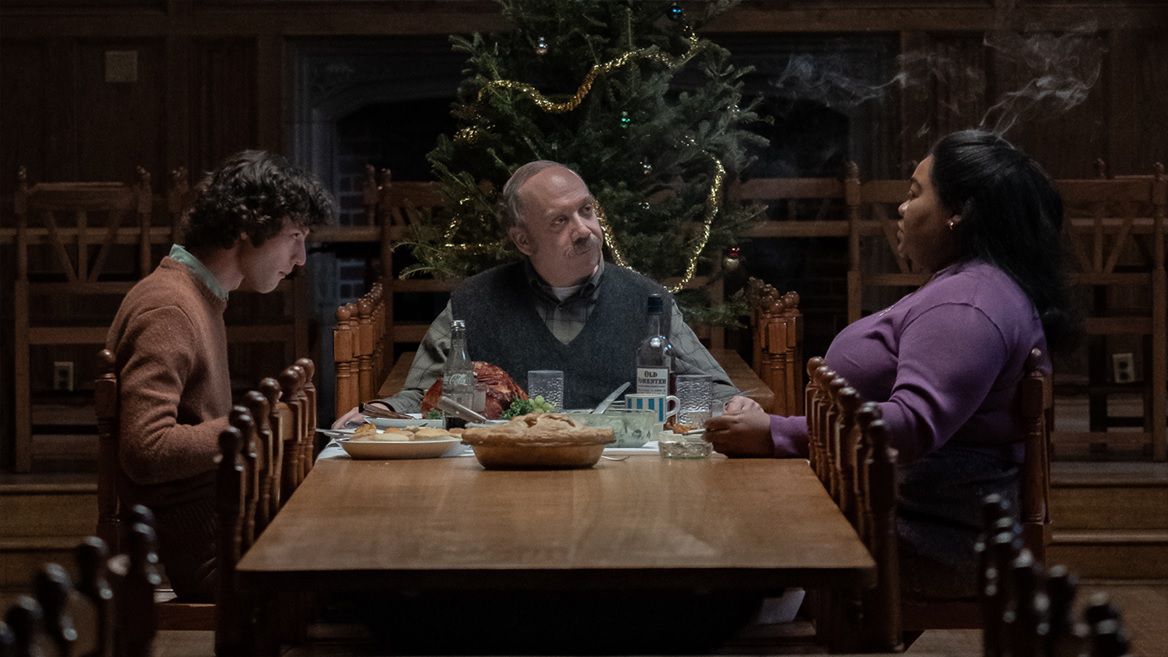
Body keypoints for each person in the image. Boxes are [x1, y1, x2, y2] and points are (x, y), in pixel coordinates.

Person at [705, 129, 1078, 599]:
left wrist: (776, 433)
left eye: (915, 193)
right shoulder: (968, 286)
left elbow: (910, 425)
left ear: (958, 213)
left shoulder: (968, 304)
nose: (902, 208)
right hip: (894, 509)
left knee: (708, 534)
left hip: (922, 534)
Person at [336, 159, 735, 424]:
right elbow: (425, 394)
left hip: (623, 479)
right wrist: (378, 411)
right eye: (560, 220)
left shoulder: (647, 300)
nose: (583, 230)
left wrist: (735, 406)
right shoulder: (475, 302)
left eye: (587, 210)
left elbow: (712, 388)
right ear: (523, 241)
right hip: (508, 485)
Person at [106, 150, 333, 600]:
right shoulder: (169, 307)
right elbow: (145, 448)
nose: (301, 257)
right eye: (294, 236)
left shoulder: (198, 297)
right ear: (249, 228)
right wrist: (256, 424)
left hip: (229, 527)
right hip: (210, 558)